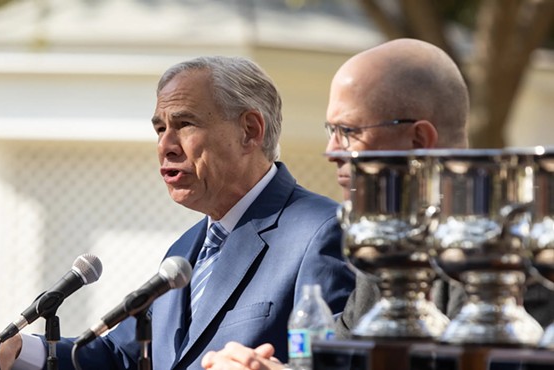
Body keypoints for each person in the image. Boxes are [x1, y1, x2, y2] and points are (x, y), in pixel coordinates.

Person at [0, 56, 355, 370]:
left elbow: (339, 361)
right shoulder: (184, 251)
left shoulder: (322, 232)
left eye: (185, 124)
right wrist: (22, 350)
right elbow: (123, 356)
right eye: (159, 128)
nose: (166, 145)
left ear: (250, 131)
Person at [201, 38, 554, 370]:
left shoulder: (512, 253)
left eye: (349, 132)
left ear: (418, 139)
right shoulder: (386, 249)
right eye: (330, 131)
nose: (332, 152)